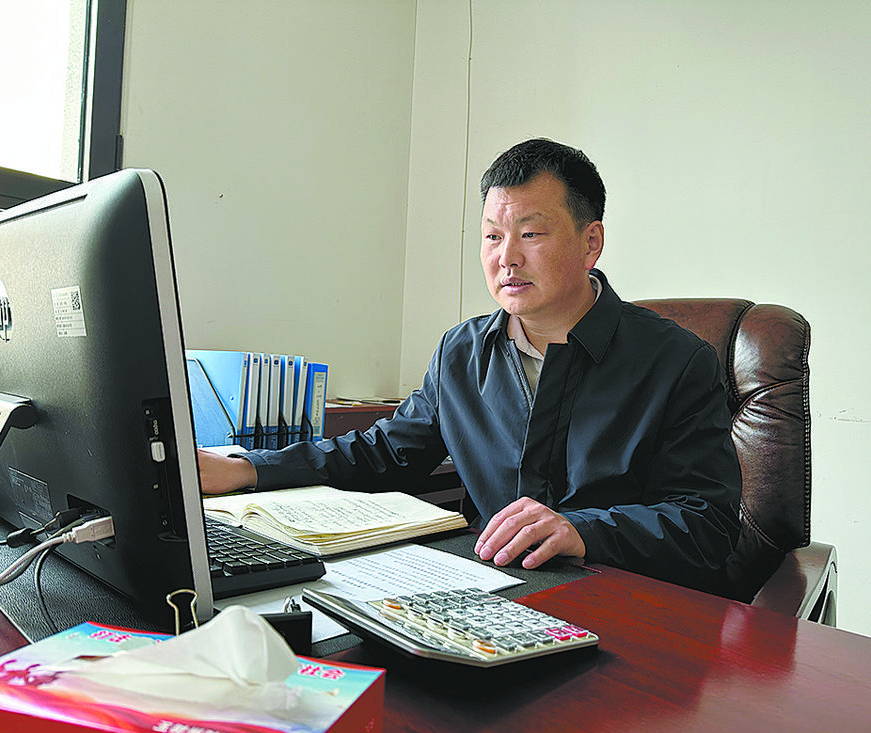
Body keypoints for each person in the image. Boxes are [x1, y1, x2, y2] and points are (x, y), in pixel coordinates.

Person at [199, 138, 742, 595]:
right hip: (489, 594)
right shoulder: (462, 352)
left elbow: (707, 524)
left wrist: (582, 531)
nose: (507, 257)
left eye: (531, 234)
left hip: (624, 601)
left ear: (590, 242)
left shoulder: (677, 361)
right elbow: (384, 454)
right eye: (492, 236)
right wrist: (248, 469)